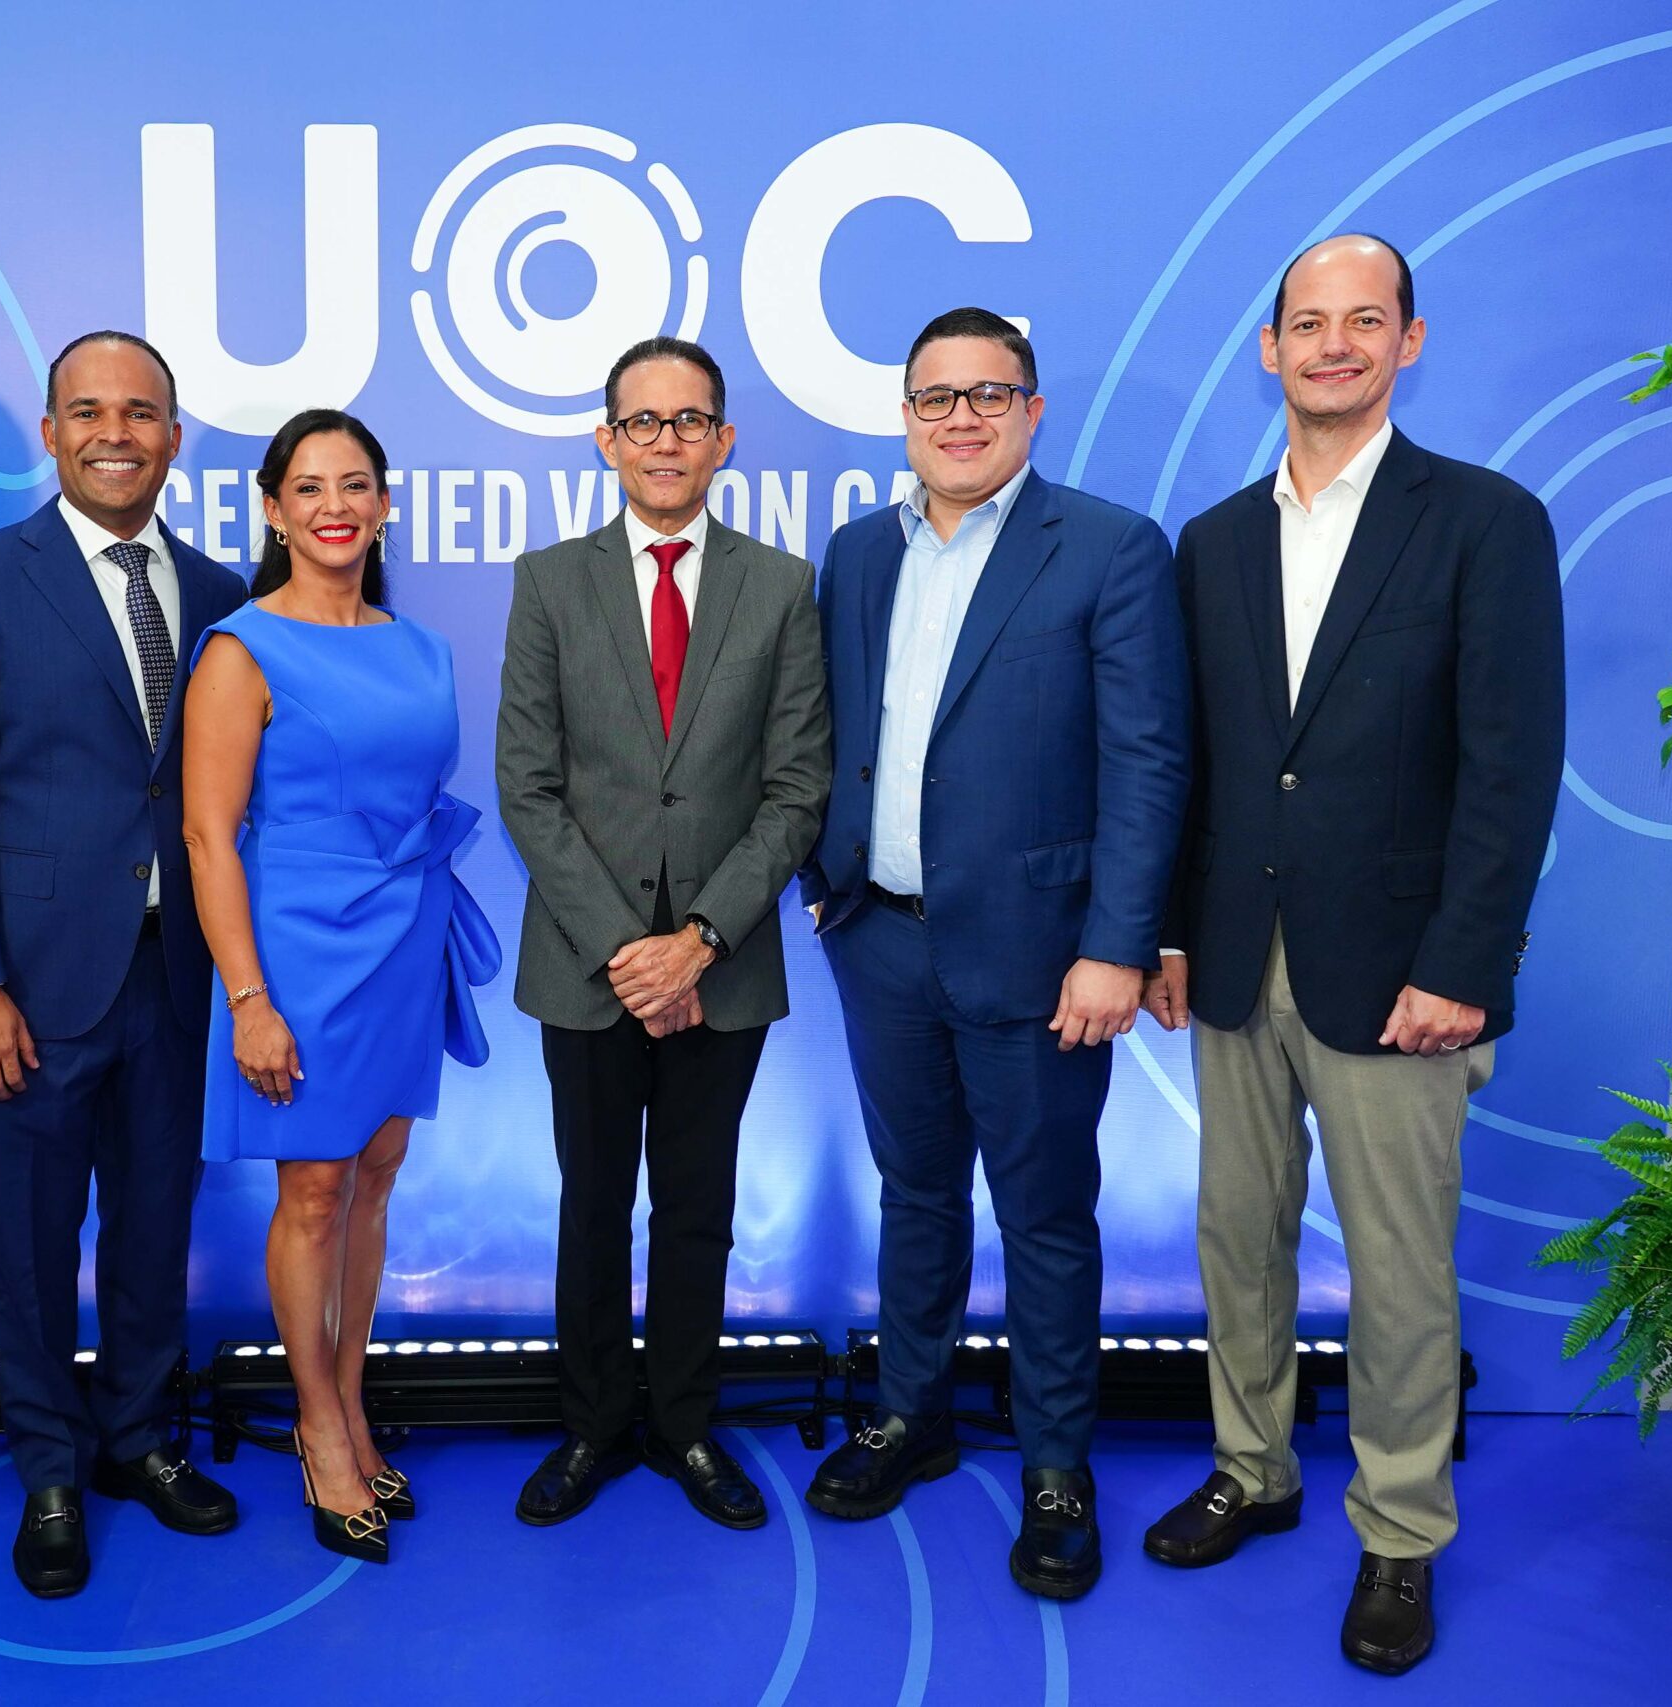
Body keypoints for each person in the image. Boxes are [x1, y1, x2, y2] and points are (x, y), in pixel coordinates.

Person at [1136, 235, 1564, 1677]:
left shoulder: (1486, 522)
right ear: (1269, 349)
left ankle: (1399, 1530)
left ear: (1408, 340)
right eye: (1307, 323)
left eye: (1362, 320)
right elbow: (1198, 762)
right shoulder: (1211, 541)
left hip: (1402, 977)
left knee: (1398, 1269)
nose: (1333, 344)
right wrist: (1172, 929)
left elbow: (1511, 768)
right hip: (1235, 960)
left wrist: (1464, 963)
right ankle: (1251, 1470)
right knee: (1235, 1237)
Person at [795, 308, 1189, 1600]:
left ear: (1031, 410)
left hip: (1044, 954)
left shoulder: (1110, 547)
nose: (959, 418)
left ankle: (1056, 1464)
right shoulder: (859, 552)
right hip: (879, 939)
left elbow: (1146, 762)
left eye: (988, 393)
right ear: (905, 415)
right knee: (915, 1194)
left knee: (1044, 1214)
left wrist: (1116, 946)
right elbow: (832, 731)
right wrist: (826, 882)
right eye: (936, 397)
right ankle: (909, 1414)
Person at [0, 332, 247, 1599]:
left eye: (139, 412)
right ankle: (49, 1468)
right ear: (49, 433)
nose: (115, 432)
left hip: (177, 976)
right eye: (87, 411)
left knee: (155, 1230)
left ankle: (137, 1439)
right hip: (27, 985)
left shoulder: (220, 592)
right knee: (32, 1246)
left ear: (173, 436)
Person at [497, 337, 830, 1532]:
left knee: (697, 1210)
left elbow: (797, 788)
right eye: (642, 422)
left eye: (689, 421)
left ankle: (685, 1424)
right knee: (591, 1205)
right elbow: (527, 787)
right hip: (585, 970)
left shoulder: (780, 586)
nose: (666, 442)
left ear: (722, 440)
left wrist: (695, 942)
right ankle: (591, 1425)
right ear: (607, 441)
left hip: (720, 971)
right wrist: (626, 952)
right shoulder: (549, 581)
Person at [182, 409, 498, 1565]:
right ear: (273, 509)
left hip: (403, 937)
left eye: (354, 484)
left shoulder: (419, 648)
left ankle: (353, 1405)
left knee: (373, 1178)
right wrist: (248, 999)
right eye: (308, 487)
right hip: (296, 951)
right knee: (312, 1189)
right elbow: (209, 838)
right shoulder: (240, 648)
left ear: (383, 504)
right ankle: (316, 1428)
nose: (333, 506)